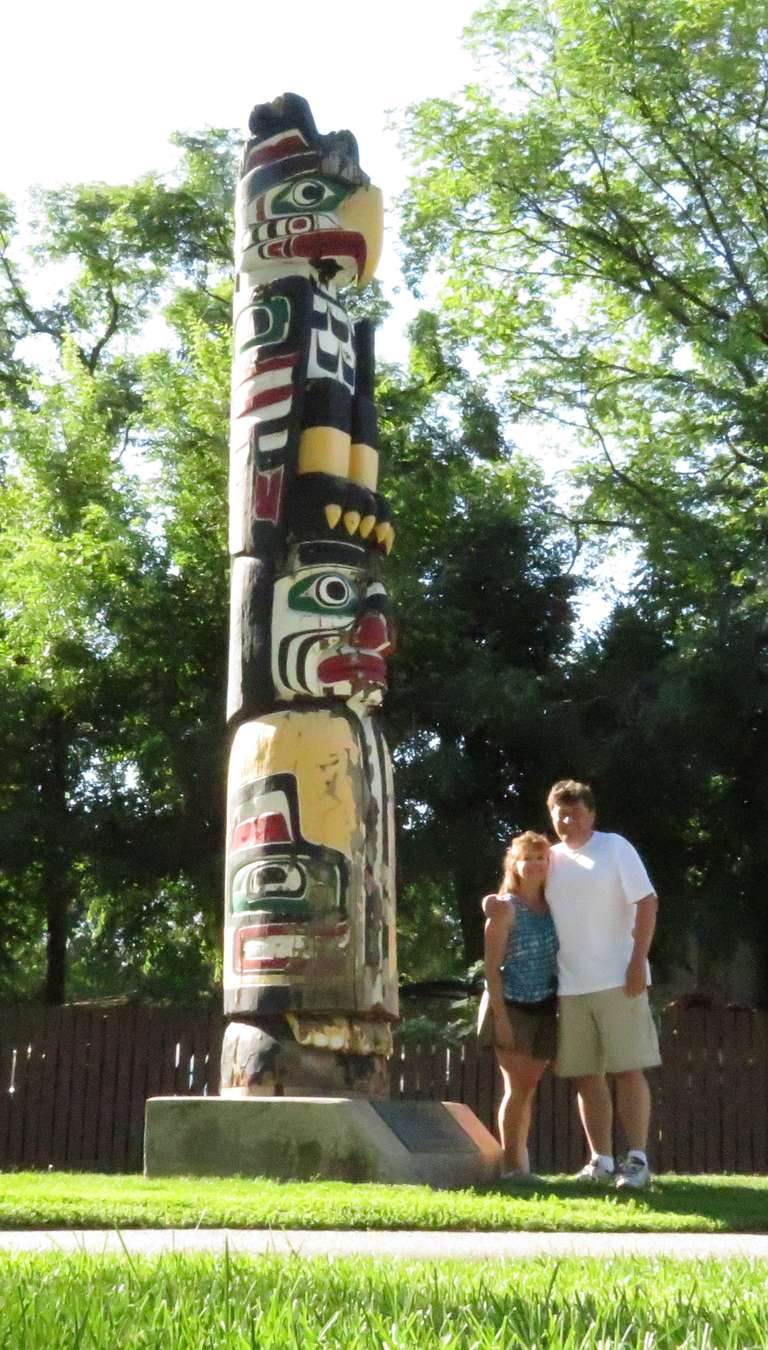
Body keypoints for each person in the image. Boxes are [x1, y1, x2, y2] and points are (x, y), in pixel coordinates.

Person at [483, 780, 660, 1190]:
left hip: (619, 979)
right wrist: (488, 904)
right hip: (570, 989)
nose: (568, 820)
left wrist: (638, 962)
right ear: (551, 817)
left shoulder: (616, 848)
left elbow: (647, 902)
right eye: (560, 814)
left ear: (592, 814)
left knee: (628, 1069)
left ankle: (636, 1160)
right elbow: (518, 893)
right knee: (586, 1076)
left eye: (576, 812)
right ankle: (601, 1160)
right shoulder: (552, 859)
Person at [480, 831, 558, 1183]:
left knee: (529, 1088)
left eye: (542, 857)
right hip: (510, 1006)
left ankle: (518, 1163)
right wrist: (501, 1019)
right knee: (516, 1088)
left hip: (545, 1006)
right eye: (528, 858)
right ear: (515, 864)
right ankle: (512, 1167)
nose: (536, 864)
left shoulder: (555, 906)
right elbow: (491, 968)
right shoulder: (504, 908)